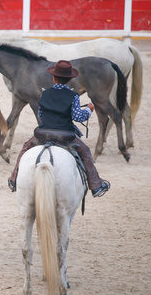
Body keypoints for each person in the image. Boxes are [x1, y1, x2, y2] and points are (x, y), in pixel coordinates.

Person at [7, 60, 110, 198]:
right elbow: (78, 117)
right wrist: (89, 110)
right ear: (69, 80)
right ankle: (96, 185)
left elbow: (41, 116)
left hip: (43, 133)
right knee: (85, 151)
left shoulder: (44, 94)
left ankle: (14, 180)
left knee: (25, 147)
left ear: (54, 78)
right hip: (65, 134)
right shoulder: (73, 96)